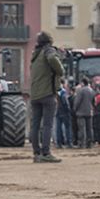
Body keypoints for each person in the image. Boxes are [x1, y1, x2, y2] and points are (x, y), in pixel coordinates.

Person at [28, 31, 64, 163]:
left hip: (34, 95)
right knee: (48, 125)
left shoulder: (35, 55)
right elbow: (52, 59)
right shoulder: (48, 51)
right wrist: (60, 70)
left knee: (35, 125)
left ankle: (36, 153)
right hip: (47, 93)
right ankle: (46, 153)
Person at [72, 77, 94, 148]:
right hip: (89, 112)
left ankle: (82, 143)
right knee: (89, 128)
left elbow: (77, 102)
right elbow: (94, 101)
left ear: (82, 83)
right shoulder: (92, 90)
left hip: (81, 112)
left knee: (82, 129)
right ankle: (89, 143)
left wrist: (74, 109)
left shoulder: (80, 91)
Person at [55, 79, 73, 148]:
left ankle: (59, 143)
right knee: (67, 128)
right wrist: (68, 110)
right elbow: (65, 103)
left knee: (58, 128)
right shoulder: (63, 92)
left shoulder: (57, 92)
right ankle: (69, 143)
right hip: (65, 112)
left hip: (58, 112)